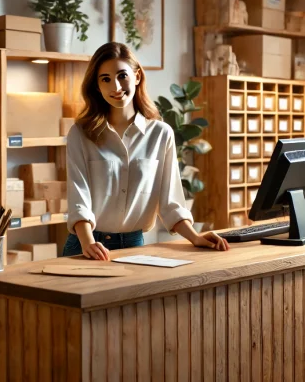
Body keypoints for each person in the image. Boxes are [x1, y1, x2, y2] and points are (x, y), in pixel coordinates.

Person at [63, 42, 229, 260]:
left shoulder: (161, 134)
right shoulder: (80, 134)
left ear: (137, 76)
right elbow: (79, 197)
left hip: (135, 246)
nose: (115, 86)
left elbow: (170, 202)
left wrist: (195, 237)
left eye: (122, 76)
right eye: (105, 79)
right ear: (97, 86)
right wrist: (89, 243)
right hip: (86, 246)